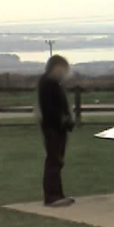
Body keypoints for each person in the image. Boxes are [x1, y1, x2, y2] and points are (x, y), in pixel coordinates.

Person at [36, 55, 75, 207]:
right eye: (64, 69)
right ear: (56, 67)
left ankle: (58, 194)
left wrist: (68, 119)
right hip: (52, 128)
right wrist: (62, 119)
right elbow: (50, 109)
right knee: (54, 161)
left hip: (59, 128)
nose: (65, 73)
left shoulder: (56, 83)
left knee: (58, 161)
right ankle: (51, 196)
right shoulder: (47, 83)